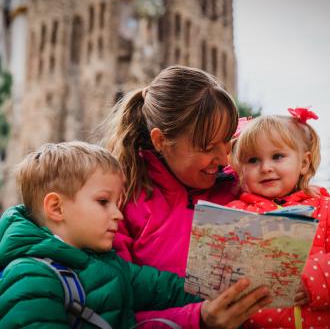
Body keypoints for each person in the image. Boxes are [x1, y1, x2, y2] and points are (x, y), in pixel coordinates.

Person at [0, 141, 271, 329]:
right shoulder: (30, 276)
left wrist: (228, 294)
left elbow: (168, 289)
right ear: (56, 207)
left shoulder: (108, 263)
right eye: (104, 202)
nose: (118, 214)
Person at [102, 65, 272, 326]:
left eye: (227, 141)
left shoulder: (243, 183)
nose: (224, 158)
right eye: (206, 147)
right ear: (160, 141)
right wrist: (197, 320)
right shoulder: (120, 201)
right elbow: (113, 312)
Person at [227, 108, 330, 328]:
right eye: (253, 160)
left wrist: (315, 278)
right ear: (241, 169)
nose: (266, 168)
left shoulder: (325, 208)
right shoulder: (234, 214)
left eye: (278, 156)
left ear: (303, 163)